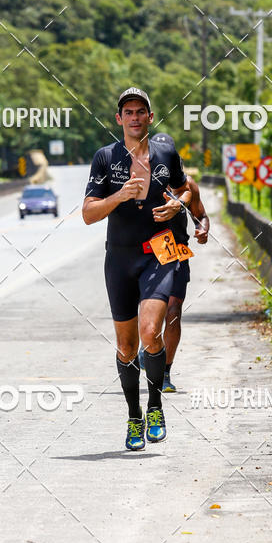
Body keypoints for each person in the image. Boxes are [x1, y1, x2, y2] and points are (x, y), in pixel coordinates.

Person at [82, 87, 192, 451]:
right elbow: (88, 214)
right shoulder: (105, 158)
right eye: (127, 112)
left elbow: (186, 189)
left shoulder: (165, 152)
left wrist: (178, 205)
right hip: (120, 258)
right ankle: (134, 416)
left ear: (149, 116)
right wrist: (119, 196)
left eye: (140, 111)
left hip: (159, 254)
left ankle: (156, 406)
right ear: (119, 119)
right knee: (126, 347)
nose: (134, 117)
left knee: (150, 333)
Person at [139, 133, 210, 392]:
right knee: (152, 314)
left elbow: (201, 216)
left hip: (176, 251)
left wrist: (202, 230)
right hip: (146, 254)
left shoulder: (188, 185)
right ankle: (147, 348)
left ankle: (165, 372)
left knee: (173, 312)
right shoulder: (141, 181)